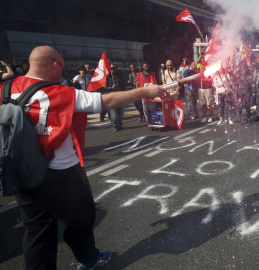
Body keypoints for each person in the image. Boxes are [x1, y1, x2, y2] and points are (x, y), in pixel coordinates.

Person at [0, 46, 166, 270]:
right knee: (80, 219)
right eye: (62, 67)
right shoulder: (60, 93)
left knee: (37, 230)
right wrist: (144, 92)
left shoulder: (5, 88)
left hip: (20, 171)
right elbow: (106, 101)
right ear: (55, 64)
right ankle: (88, 259)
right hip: (60, 173)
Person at [233, 60, 253, 124]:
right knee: (240, 105)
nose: (243, 65)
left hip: (247, 90)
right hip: (239, 91)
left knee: (247, 104)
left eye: (244, 64)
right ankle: (241, 118)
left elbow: (250, 81)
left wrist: (244, 79)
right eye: (241, 64)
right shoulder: (237, 72)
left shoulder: (249, 72)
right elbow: (235, 81)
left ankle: (248, 117)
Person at [106, 65, 124, 132]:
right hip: (111, 97)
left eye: (114, 69)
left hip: (119, 96)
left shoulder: (118, 76)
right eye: (112, 69)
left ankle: (119, 124)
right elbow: (103, 88)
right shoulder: (107, 78)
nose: (113, 70)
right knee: (113, 113)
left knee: (120, 112)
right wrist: (110, 88)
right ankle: (114, 125)